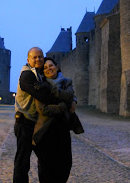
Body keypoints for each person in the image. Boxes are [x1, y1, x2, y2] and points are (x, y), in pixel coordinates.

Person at [32, 57, 83, 183]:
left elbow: (70, 95)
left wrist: (55, 91)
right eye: (45, 68)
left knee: (65, 166)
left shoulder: (67, 82)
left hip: (63, 131)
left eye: (51, 65)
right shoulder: (41, 85)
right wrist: (64, 106)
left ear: (57, 67)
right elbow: (43, 109)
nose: (49, 68)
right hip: (46, 132)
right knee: (46, 169)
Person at [13, 47, 60, 183]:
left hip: (36, 124)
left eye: (40, 56)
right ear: (28, 60)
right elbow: (43, 96)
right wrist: (62, 102)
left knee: (45, 159)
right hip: (24, 123)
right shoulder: (27, 75)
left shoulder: (40, 74)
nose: (38, 59)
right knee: (22, 162)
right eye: (35, 57)